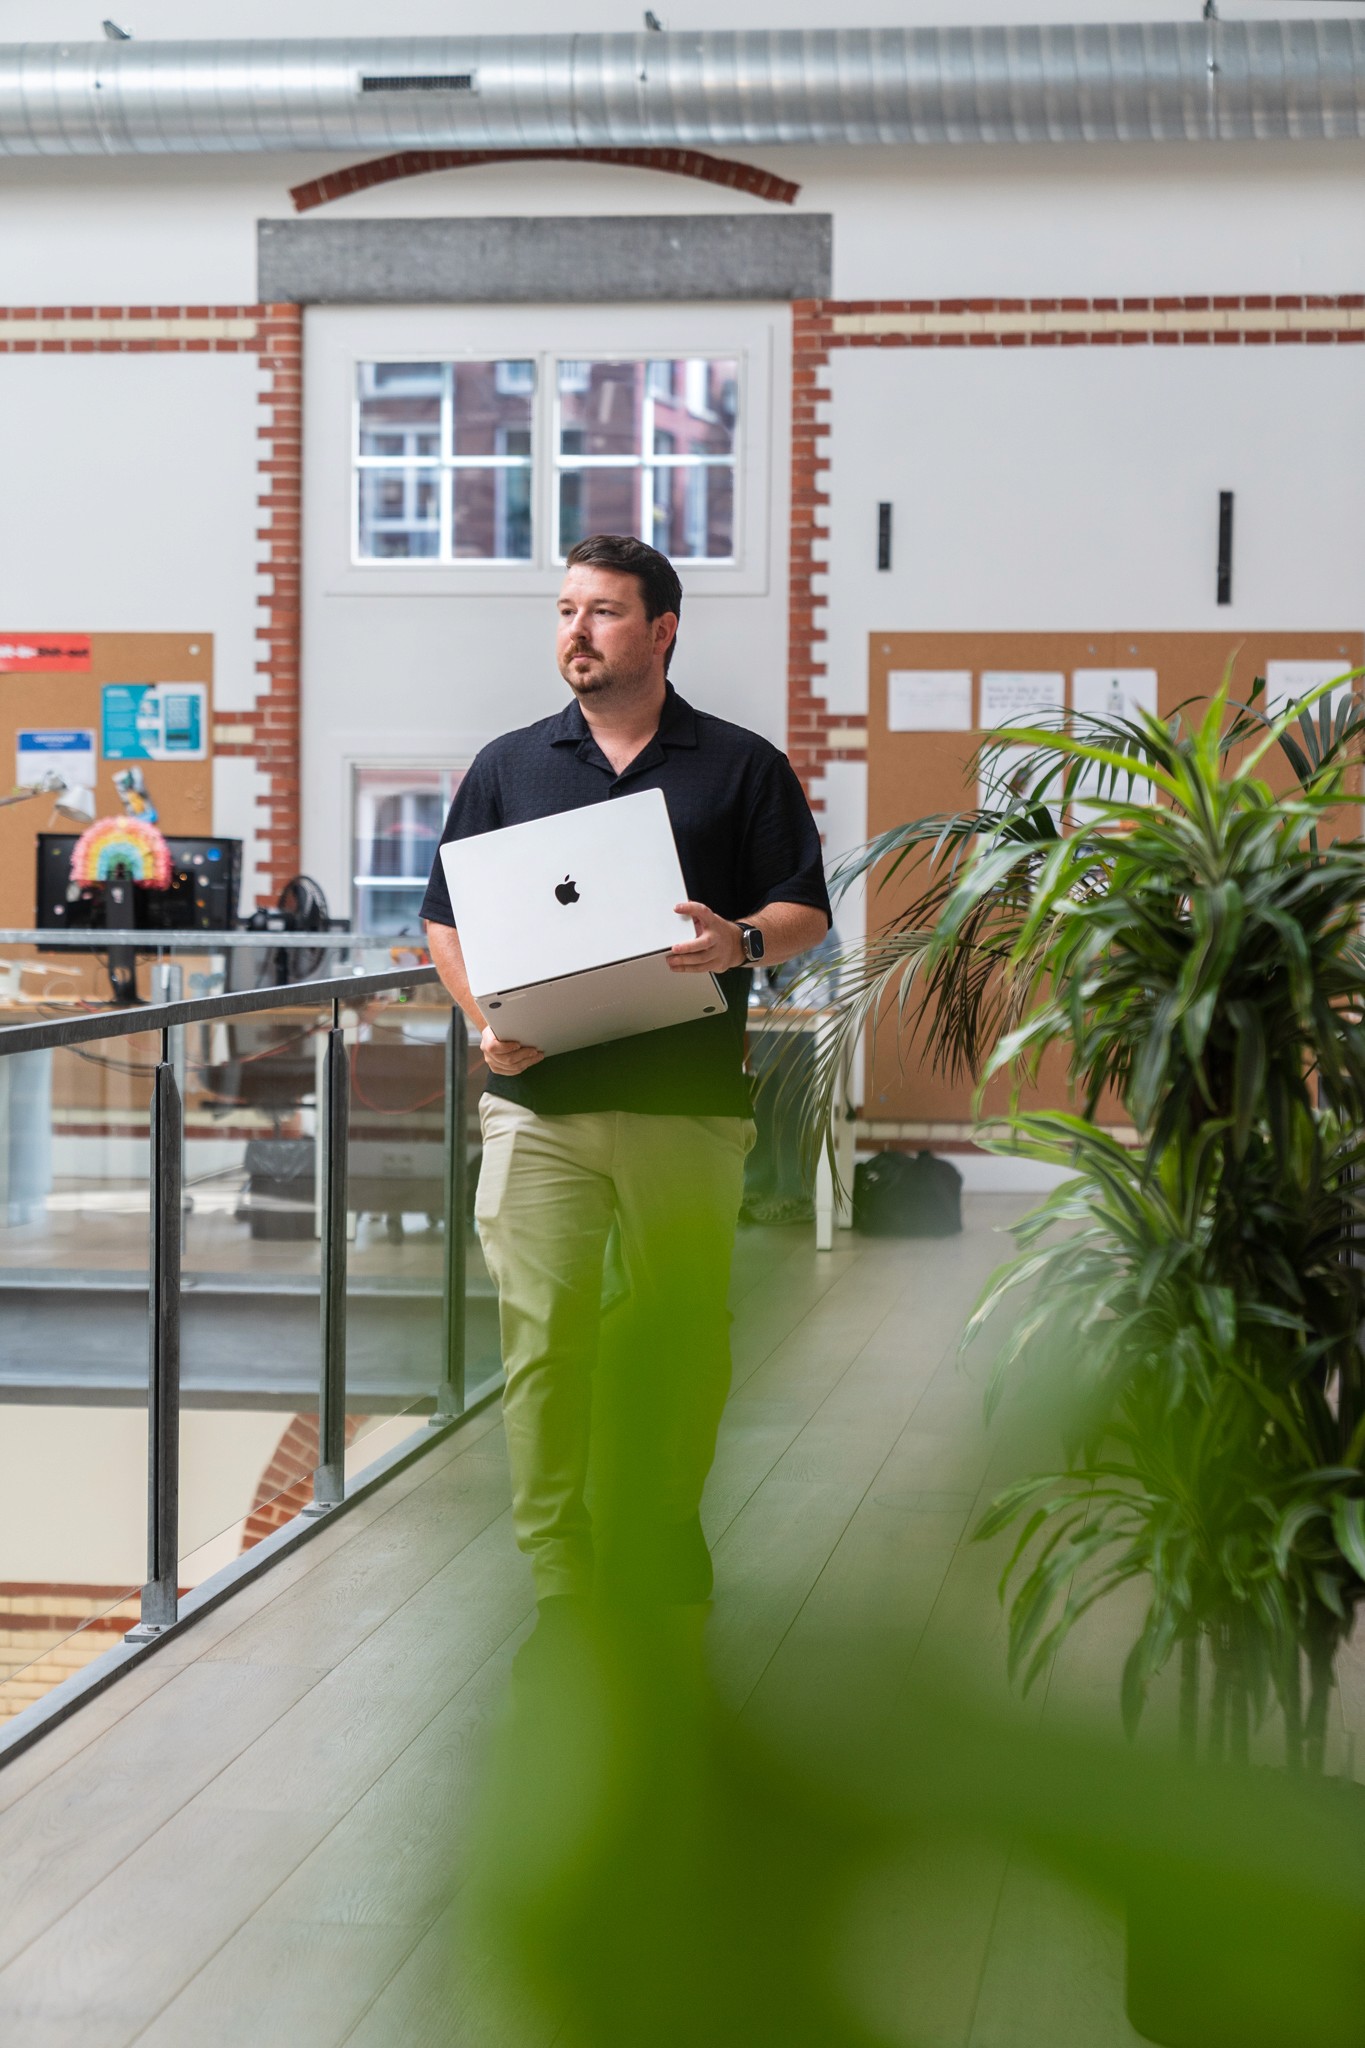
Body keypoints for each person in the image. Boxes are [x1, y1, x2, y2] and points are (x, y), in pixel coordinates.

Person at [421, 533, 830, 1611]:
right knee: (542, 1345)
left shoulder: (741, 765)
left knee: (685, 1335)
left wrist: (738, 938)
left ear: (662, 629)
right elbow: (442, 923)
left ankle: (658, 1529)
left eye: (602, 611)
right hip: (537, 1106)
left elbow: (805, 913)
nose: (576, 630)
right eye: (566, 609)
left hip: (685, 1107)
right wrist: (483, 1022)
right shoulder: (508, 765)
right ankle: (558, 1565)